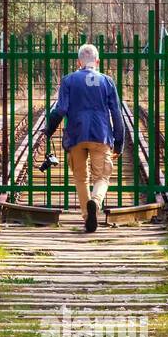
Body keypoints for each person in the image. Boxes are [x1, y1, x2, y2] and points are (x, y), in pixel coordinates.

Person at [44, 43, 124, 233]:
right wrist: (119, 141)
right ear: (97, 61)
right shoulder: (107, 81)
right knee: (102, 177)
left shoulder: (69, 80)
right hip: (101, 134)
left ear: (78, 62)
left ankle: (88, 217)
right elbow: (116, 113)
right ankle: (95, 203)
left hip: (76, 134)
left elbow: (61, 109)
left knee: (80, 178)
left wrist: (49, 130)